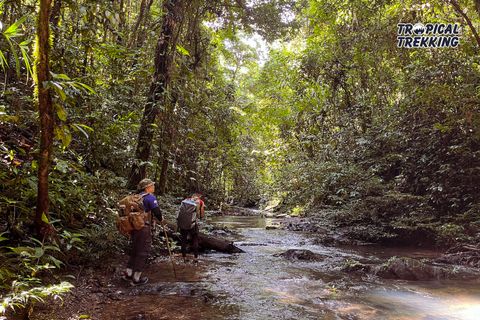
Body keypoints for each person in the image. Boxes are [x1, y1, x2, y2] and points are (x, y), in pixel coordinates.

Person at [123, 178, 163, 285]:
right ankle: (136, 278)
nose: (153, 187)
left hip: (134, 227)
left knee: (135, 249)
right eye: (152, 185)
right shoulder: (150, 198)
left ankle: (128, 273)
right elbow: (157, 212)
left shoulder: (136, 197)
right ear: (147, 188)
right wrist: (161, 220)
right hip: (143, 227)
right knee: (143, 251)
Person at [179, 193, 205, 263]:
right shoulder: (200, 202)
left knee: (183, 240)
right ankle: (195, 258)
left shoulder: (185, 200)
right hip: (192, 224)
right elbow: (200, 216)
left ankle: (184, 258)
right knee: (195, 239)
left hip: (182, 223)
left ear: (192, 196)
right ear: (199, 196)